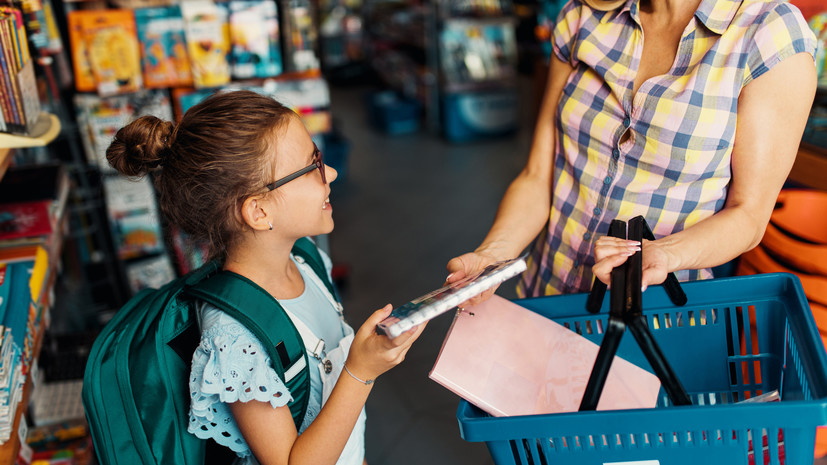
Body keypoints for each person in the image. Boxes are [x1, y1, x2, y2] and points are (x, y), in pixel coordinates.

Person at [105, 90, 424, 465]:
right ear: (258, 211)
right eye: (313, 165)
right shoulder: (235, 338)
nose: (332, 173)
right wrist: (360, 371)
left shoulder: (308, 259)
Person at [446, 0, 818, 298]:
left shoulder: (768, 33)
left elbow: (749, 215)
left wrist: (662, 254)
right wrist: (494, 255)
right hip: (547, 293)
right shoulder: (583, 15)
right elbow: (538, 176)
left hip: (656, 312)